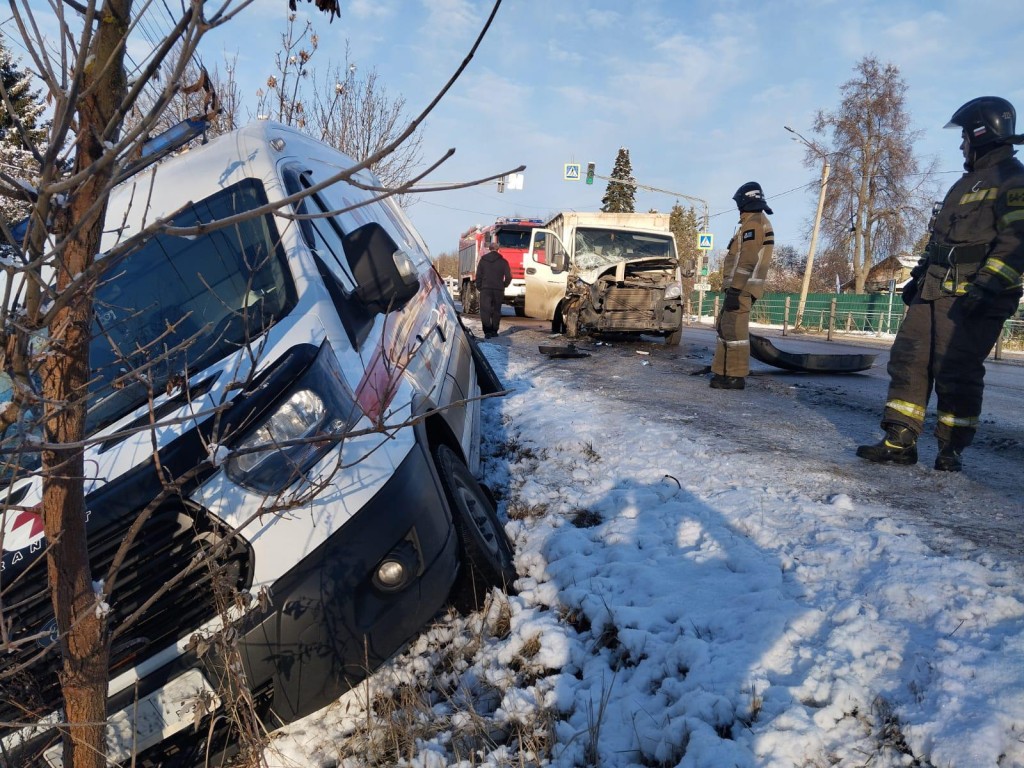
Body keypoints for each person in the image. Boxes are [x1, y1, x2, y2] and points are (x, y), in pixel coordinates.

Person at [857, 96, 1024, 472]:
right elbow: (939, 242)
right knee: (908, 359)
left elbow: (1017, 242)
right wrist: (917, 279)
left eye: (964, 135)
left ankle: (951, 449)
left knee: (956, 370)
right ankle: (899, 439)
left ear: (980, 133)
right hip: (934, 291)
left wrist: (988, 286)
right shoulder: (965, 183)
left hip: (973, 296)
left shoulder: (1013, 180)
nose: (961, 142)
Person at [710, 181, 775, 390]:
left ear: (745, 201)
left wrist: (736, 289)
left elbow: (747, 260)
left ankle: (735, 377)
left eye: (739, 203)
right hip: (739, 288)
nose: (738, 209)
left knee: (736, 332)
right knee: (726, 328)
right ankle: (722, 373)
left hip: (743, 288)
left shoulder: (754, 224)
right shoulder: (751, 223)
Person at [475, 246, 512, 338]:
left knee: (485, 310)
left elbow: (478, 275)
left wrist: (480, 287)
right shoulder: (503, 262)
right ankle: (494, 331)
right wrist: (504, 285)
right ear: (498, 249)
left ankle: (487, 331)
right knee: (496, 310)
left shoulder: (483, 261)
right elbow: (509, 277)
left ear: (489, 249)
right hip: (498, 289)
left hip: (485, 289)